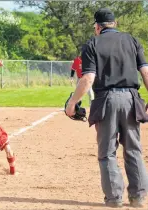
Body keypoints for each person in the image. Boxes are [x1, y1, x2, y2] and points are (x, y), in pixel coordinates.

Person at [65, 8, 148, 208]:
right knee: (134, 150)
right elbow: (145, 72)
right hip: (131, 99)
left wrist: (72, 103)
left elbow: (88, 78)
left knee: (107, 152)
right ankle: (137, 198)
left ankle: (114, 199)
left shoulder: (92, 44)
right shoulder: (132, 40)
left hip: (106, 100)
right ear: (115, 24)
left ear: (97, 26)